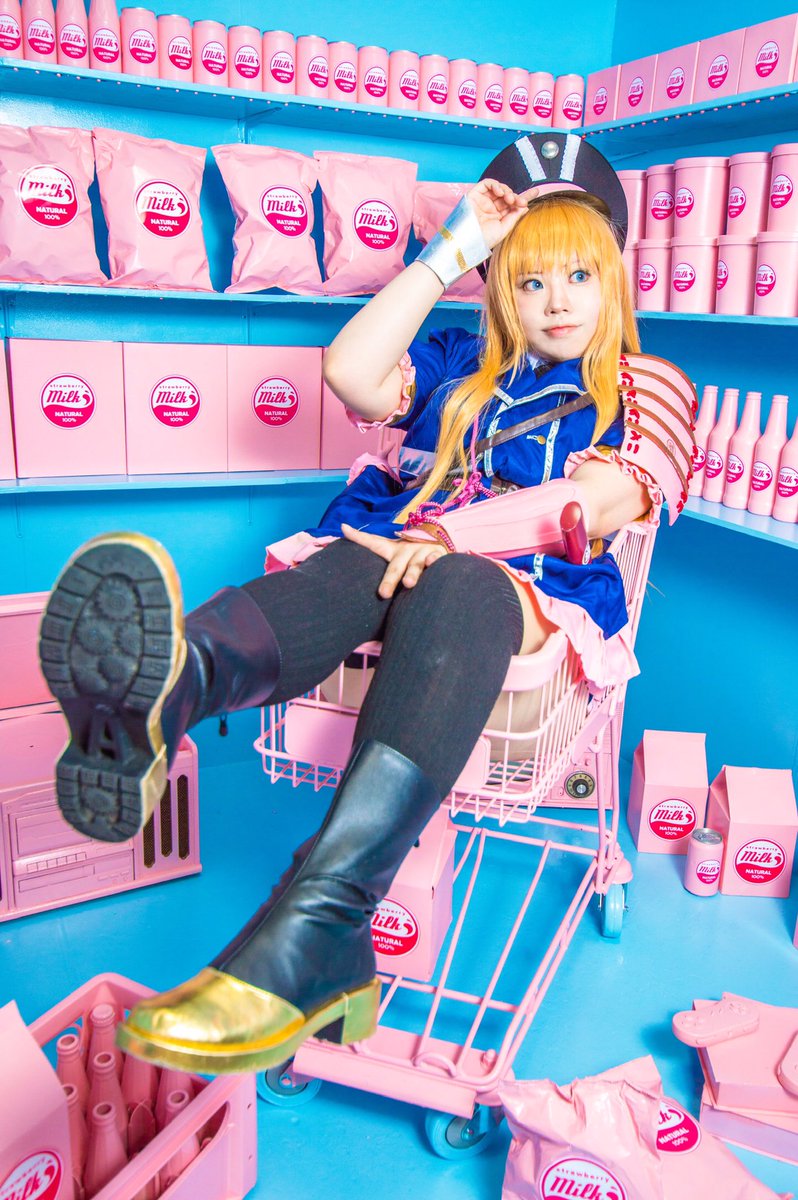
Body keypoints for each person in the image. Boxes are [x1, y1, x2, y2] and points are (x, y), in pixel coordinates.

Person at [38, 134, 693, 1075]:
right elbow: (350, 372)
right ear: (501, 290)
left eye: (579, 276)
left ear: (614, 281)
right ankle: (167, 688)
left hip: (525, 593)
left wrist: (449, 536)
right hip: (398, 566)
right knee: (359, 557)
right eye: (530, 280)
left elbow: (597, 503)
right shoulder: (461, 364)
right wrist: (450, 250)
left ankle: (323, 921)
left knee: (449, 577)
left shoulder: (644, 384)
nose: (557, 301)